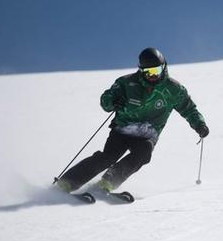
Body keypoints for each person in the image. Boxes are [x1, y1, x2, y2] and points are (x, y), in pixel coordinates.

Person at [55, 47, 209, 194]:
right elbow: (106, 100)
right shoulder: (126, 83)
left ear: (164, 67)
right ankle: (67, 182)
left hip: (147, 135)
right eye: (148, 71)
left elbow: (188, 108)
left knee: (143, 154)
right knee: (108, 157)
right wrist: (112, 102)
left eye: (156, 70)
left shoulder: (174, 90)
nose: (152, 75)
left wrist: (199, 124)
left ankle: (107, 182)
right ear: (141, 70)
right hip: (122, 131)